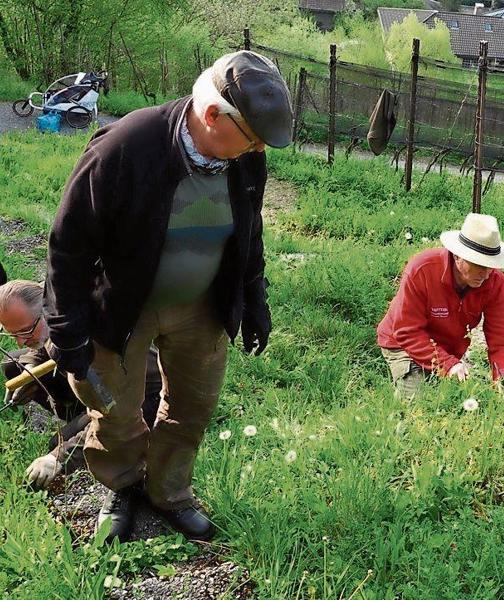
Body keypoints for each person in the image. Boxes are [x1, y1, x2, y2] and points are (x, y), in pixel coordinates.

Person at [44, 50, 290, 542]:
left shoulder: (245, 161)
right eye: (254, 138)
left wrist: (253, 293)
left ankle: (169, 492)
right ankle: (121, 487)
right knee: (115, 411)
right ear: (215, 115)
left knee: (192, 407)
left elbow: (249, 230)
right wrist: (65, 330)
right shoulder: (125, 148)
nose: (258, 150)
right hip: (124, 306)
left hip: (202, 305)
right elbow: (67, 247)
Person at [0, 280, 161, 490]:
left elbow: (114, 414)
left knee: (58, 444)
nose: (20, 341)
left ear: (49, 311)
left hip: (142, 399)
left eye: (26, 331)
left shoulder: (95, 349)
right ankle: (79, 415)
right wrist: (30, 372)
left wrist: (59, 456)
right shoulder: (58, 308)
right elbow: (43, 345)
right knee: (15, 365)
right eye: (12, 334)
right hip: (96, 384)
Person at [377, 213, 504, 397]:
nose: (486, 274)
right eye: (479, 264)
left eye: (491, 265)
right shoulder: (422, 269)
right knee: (418, 403)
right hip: (402, 343)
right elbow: (407, 331)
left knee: (456, 399)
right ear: (458, 257)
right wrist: (448, 364)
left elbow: (501, 338)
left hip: (448, 349)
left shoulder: (496, 282)